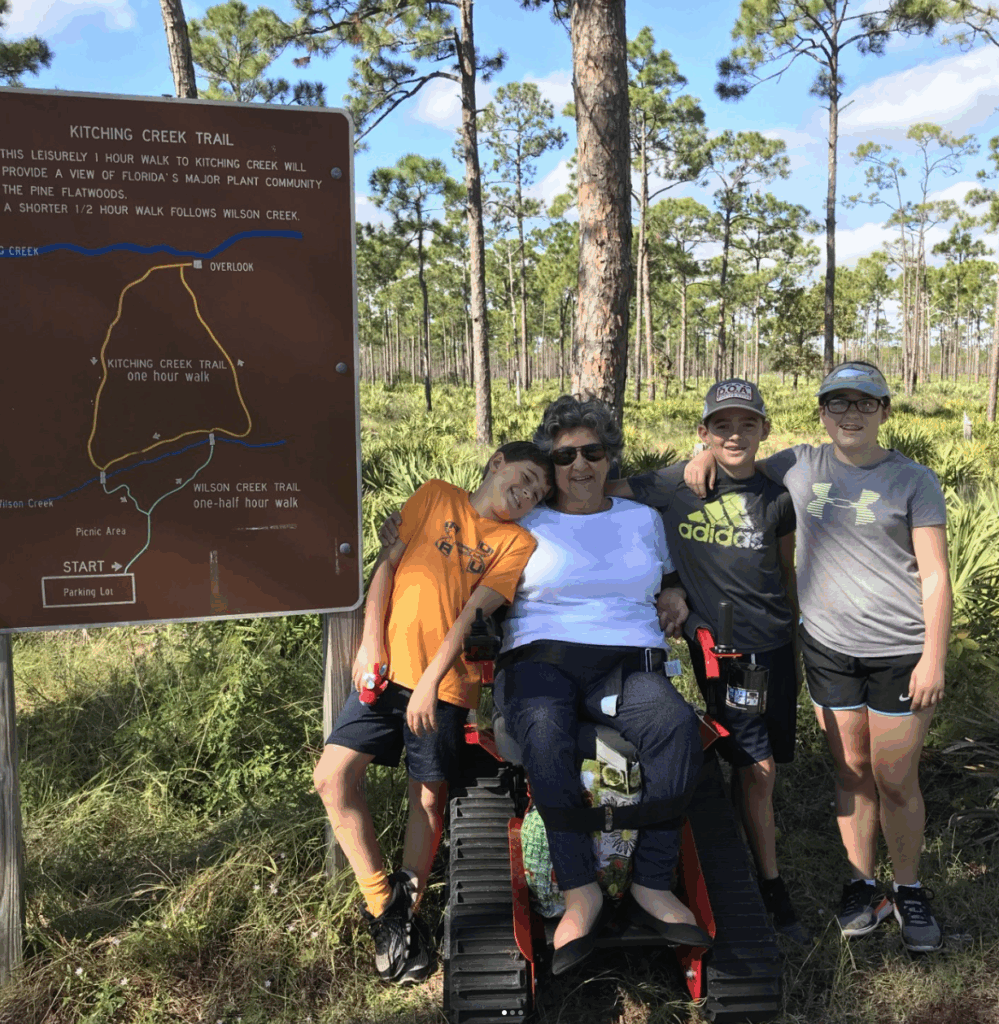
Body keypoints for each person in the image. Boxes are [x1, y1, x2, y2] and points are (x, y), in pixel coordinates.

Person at [685, 362, 951, 953]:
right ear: (823, 414)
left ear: (885, 412)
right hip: (828, 649)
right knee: (850, 773)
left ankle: (908, 887)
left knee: (896, 778)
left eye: (864, 403)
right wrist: (696, 455)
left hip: (901, 652)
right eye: (838, 404)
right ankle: (864, 885)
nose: (850, 414)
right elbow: (736, 458)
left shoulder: (914, 480)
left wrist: (933, 657)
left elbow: (934, 577)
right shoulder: (801, 463)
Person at [313, 442, 553, 985]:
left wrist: (427, 684)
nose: (530, 492)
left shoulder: (517, 542)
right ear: (497, 464)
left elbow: (472, 614)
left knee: (426, 794)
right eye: (527, 477)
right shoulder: (435, 495)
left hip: (443, 686)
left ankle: (408, 918)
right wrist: (371, 641)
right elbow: (389, 563)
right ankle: (385, 908)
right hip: (384, 672)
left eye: (539, 492)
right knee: (331, 778)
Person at [493, 395, 710, 976]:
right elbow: (454, 550)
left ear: (610, 456)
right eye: (564, 457)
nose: (579, 466)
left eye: (592, 452)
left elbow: (665, 577)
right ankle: (579, 890)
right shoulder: (525, 522)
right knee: (543, 729)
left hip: (626, 660)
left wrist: (676, 593)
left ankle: (651, 881)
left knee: (675, 729)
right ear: (551, 464)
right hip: (540, 656)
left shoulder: (641, 519)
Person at [606, 378, 810, 944]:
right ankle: (769, 884)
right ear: (703, 432)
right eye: (721, 425)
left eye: (747, 424)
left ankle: (724, 826)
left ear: (765, 430)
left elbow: (785, 570)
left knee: (764, 763)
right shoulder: (677, 484)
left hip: (775, 643)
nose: (735, 434)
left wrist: (798, 635)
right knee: (758, 766)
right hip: (726, 650)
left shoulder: (777, 495)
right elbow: (604, 488)